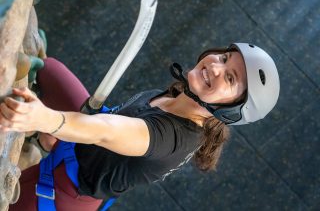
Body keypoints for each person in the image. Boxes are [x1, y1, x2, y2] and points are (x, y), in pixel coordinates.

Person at [0, 43, 280, 211]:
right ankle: (48, 136)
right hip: (82, 148)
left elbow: (105, 130)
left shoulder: (170, 140)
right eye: (224, 57)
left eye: (229, 78)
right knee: (48, 68)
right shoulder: (177, 96)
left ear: (231, 110)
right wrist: (59, 130)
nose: (216, 66)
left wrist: (46, 120)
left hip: (62, 191)